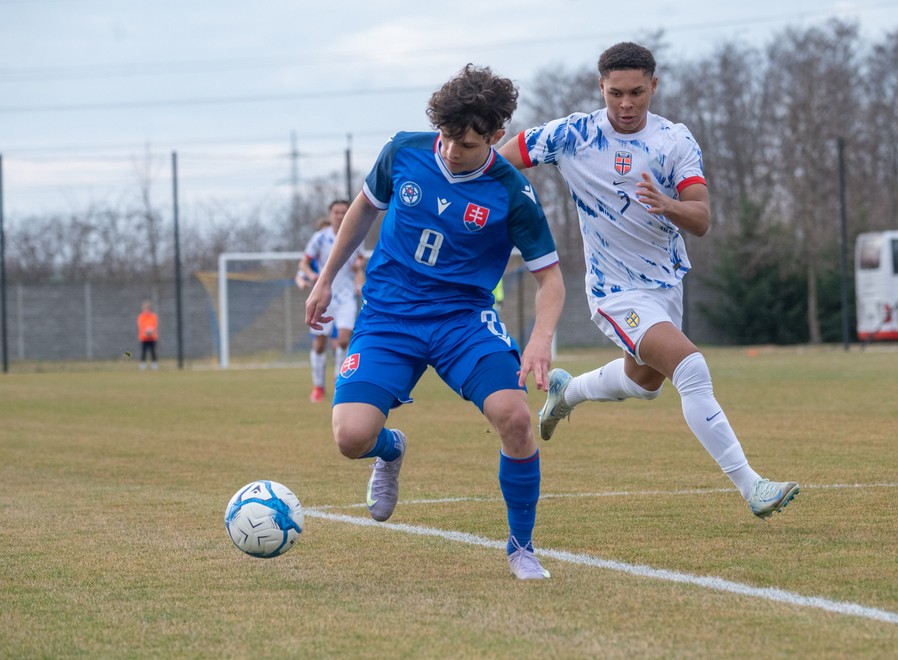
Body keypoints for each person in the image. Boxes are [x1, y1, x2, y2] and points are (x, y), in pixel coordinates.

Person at [498, 42, 799, 519]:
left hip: (664, 285)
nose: (626, 104)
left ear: (653, 86)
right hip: (613, 291)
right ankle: (752, 486)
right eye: (615, 93)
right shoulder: (572, 133)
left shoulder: (674, 141)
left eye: (637, 92)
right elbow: (499, 160)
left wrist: (669, 205)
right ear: (601, 87)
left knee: (643, 385)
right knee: (692, 370)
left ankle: (567, 391)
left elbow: (700, 219)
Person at [305, 64, 565, 579]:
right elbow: (361, 210)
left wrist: (539, 339)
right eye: (445, 137)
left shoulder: (512, 193)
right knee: (350, 438)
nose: (449, 151)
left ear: (496, 137)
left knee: (514, 417)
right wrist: (325, 278)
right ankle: (391, 448)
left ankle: (521, 547)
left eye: (465, 144)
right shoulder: (404, 150)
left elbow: (551, 279)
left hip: (462, 322)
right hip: (388, 317)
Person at [296, 200, 361, 403]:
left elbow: (359, 265)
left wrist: (360, 279)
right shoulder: (320, 238)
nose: (341, 216)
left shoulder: (357, 233)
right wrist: (312, 276)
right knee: (319, 344)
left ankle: (338, 380)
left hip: (346, 297)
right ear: (330, 214)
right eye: (336, 212)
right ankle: (318, 386)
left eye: (344, 212)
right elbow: (304, 263)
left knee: (343, 340)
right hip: (325, 295)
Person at [136, 300, 159, 370]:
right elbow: (141, 326)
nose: (146, 309)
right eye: (145, 308)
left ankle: (154, 364)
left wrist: (151, 330)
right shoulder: (141, 316)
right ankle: (143, 364)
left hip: (152, 337)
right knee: (143, 351)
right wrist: (146, 331)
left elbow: (154, 325)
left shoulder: (153, 316)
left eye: (148, 308)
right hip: (144, 337)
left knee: (153, 351)